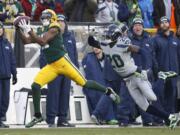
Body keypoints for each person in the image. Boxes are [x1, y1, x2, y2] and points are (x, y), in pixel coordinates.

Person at [17, 9, 120, 128]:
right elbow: (25, 41)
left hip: (63, 62)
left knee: (84, 83)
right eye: (43, 18)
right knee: (35, 85)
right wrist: (18, 29)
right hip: (52, 65)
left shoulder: (55, 27)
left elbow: (42, 41)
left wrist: (29, 30)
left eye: (47, 18)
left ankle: (108, 91)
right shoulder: (42, 30)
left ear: (52, 19)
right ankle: (37, 115)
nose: (44, 20)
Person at [88, 23, 180, 129]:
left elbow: (143, 51)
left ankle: (162, 78)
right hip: (128, 80)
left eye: (109, 35)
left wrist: (145, 69)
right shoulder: (106, 45)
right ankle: (169, 117)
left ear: (115, 35)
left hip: (136, 74)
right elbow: (91, 42)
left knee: (152, 97)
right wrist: (91, 34)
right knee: (145, 107)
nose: (107, 37)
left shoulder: (123, 45)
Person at [82, 47, 120, 125]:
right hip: (96, 85)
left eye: (97, 46)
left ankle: (98, 115)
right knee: (104, 91)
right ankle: (105, 116)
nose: (95, 48)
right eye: (94, 46)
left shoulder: (108, 57)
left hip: (109, 83)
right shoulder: (88, 59)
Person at [152, 16, 180, 114]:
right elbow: (153, 57)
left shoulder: (176, 40)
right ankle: (159, 117)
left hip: (173, 73)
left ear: (169, 24)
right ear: (160, 25)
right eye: (162, 22)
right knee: (159, 95)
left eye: (166, 22)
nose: (164, 24)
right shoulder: (155, 39)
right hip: (161, 73)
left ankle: (170, 116)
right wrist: (156, 70)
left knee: (171, 95)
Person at [0, 21, 17, 128]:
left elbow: (12, 60)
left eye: (0, 28)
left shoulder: (7, 43)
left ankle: (1, 119)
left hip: (6, 76)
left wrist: (14, 74)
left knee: (5, 100)